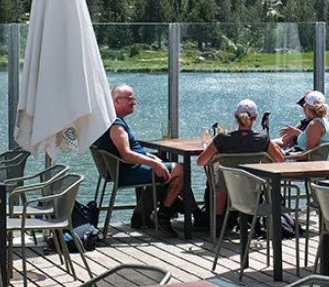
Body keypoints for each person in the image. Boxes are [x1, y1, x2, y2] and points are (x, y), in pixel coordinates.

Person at [94, 84, 185, 237]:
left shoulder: (111, 120)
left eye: (133, 98)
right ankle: (164, 214)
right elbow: (126, 154)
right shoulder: (116, 125)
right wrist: (154, 163)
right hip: (128, 171)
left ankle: (142, 215)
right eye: (129, 99)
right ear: (117, 101)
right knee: (181, 170)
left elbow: (130, 151)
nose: (133, 102)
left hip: (123, 169)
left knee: (168, 168)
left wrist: (151, 157)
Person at [197, 99, 283, 230]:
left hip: (226, 186)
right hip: (253, 185)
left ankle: (218, 225)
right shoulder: (262, 139)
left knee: (219, 180)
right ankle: (251, 222)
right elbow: (279, 159)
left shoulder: (222, 139)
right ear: (255, 118)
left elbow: (200, 162)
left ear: (235, 116)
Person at [278, 90, 329, 158]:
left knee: (268, 153)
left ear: (307, 108)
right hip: (303, 158)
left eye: (304, 104)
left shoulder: (315, 125)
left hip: (302, 164)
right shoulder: (328, 121)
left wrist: (284, 154)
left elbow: (307, 155)